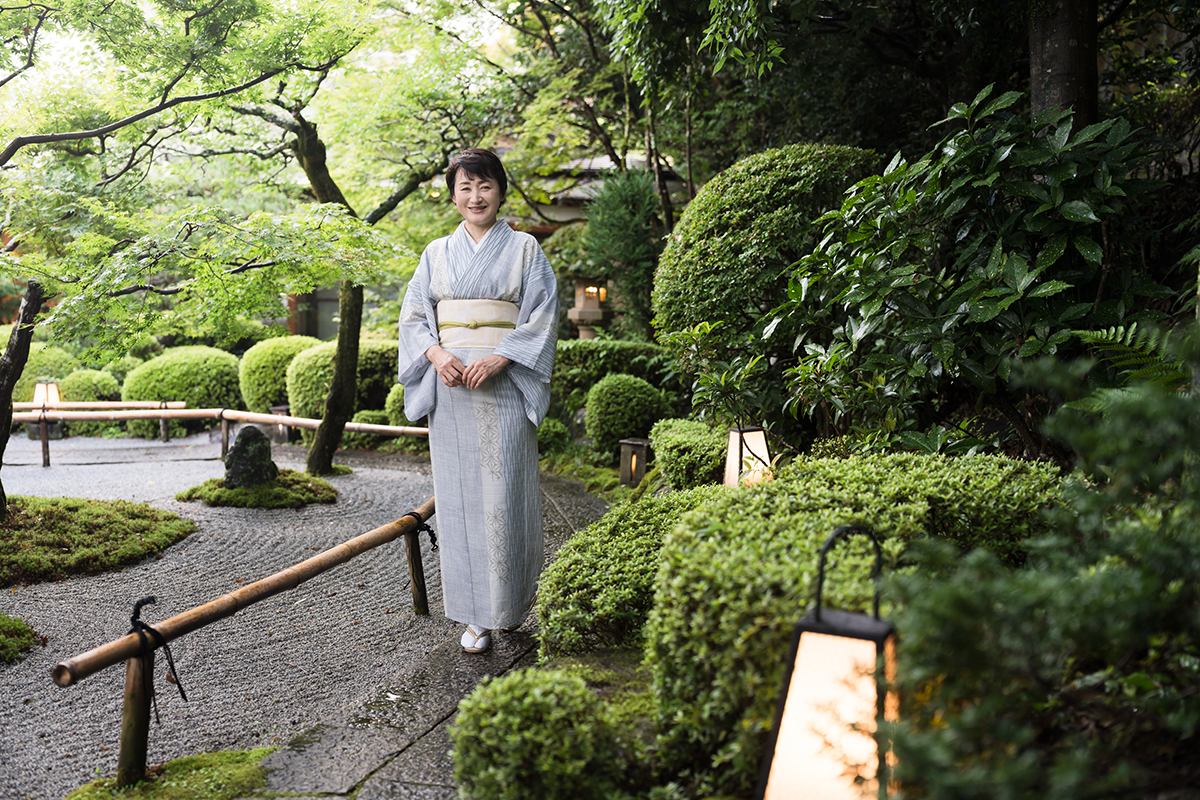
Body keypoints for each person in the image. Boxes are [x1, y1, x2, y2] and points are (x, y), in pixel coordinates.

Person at [397, 148, 558, 654]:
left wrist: (502, 357)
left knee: (506, 496)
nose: (475, 197)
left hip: (503, 388)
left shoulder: (527, 249)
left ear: (500, 192)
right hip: (452, 392)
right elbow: (414, 318)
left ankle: (511, 608)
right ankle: (474, 617)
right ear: (452, 195)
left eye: (484, 186)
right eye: (465, 187)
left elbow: (541, 316)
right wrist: (437, 353)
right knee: (460, 499)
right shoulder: (434, 254)